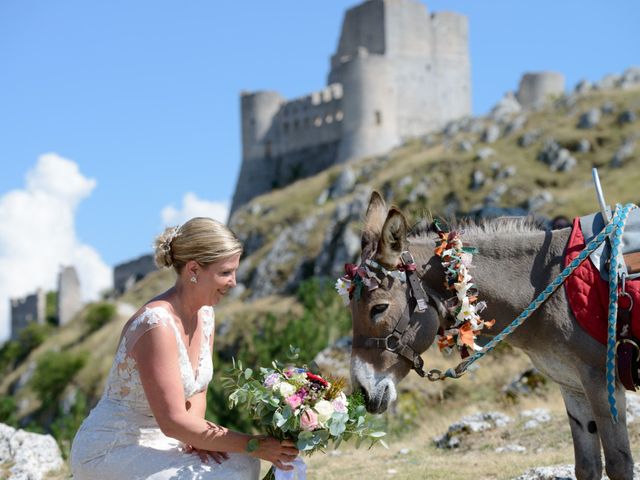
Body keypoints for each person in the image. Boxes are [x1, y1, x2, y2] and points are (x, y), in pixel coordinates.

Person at [70, 217, 298, 479]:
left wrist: (199, 437)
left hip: (167, 437)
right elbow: (173, 421)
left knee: (243, 464)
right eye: (225, 272)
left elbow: (198, 390)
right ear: (193, 270)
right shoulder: (157, 324)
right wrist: (253, 443)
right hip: (113, 449)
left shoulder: (206, 314)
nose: (233, 282)